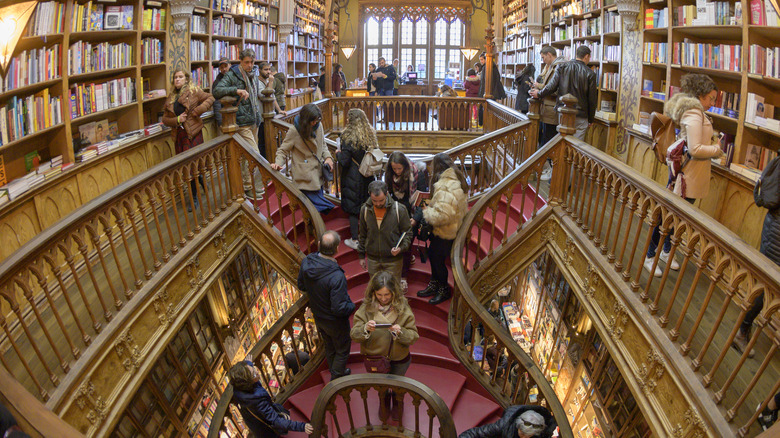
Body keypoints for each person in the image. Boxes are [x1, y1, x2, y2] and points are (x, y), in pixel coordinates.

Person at [643, 73, 724, 278]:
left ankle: (665, 250)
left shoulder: (698, 113)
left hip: (692, 175)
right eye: (711, 98)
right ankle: (650, 255)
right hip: (686, 177)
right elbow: (695, 149)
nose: (713, 103)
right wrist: (717, 150)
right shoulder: (694, 114)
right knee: (668, 216)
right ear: (700, 94)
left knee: (676, 218)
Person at [351, 271, 419, 420]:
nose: (383, 299)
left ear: (394, 293)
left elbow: (413, 336)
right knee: (381, 386)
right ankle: (383, 401)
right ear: (373, 293)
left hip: (399, 358)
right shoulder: (366, 309)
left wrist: (401, 333)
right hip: (376, 358)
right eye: (379, 295)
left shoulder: (403, 309)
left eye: (387, 295)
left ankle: (396, 401)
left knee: (397, 385)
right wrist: (365, 329)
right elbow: (354, 334)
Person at [297, 231, 355, 380]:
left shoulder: (307, 262)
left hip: (319, 316)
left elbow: (301, 285)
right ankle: (336, 379)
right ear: (337, 249)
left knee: (330, 347)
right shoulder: (336, 276)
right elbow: (339, 308)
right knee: (342, 349)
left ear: (318, 245)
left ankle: (336, 371)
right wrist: (352, 306)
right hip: (335, 322)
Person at [213, 48, 266, 197]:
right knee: (254, 153)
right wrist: (236, 90)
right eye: (246, 62)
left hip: (254, 119)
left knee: (246, 156)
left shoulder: (254, 74)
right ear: (240, 62)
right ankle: (247, 185)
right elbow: (217, 91)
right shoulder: (233, 74)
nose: (250, 65)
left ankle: (248, 186)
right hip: (242, 121)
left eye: (252, 62)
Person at [417, 153, 468, 305]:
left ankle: (443, 290)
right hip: (445, 229)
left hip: (445, 231)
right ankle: (435, 285)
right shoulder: (452, 179)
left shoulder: (446, 185)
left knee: (437, 260)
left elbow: (443, 215)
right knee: (433, 257)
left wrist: (427, 211)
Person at [161, 70, 214, 211]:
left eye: (180, 77)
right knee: (186, 167)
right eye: (175, 77)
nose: (177, 79)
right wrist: (177, 119)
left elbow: (210, 97)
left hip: (193, 133)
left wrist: (199, 110)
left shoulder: (194, 91)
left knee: (194, 164)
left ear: (186, 79)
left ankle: (194, 197)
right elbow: (165, 119)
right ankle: (200, 184)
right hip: (179, 135)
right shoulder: (171, 97)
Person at [271, 103, 335, 213]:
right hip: (304, 178)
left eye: (317, 120)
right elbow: (283, 150)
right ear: (305, 120)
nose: (315, 123)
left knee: (318, 211)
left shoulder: (319, 126)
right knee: (312, 212)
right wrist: (278, 163)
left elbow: (323, 145)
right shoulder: (294, 131)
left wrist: (328, 157)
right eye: (312, 121)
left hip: (318, 176)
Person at [228, 361, 314, 436]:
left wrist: (249, 363)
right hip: (265, 430)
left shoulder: (238, 387)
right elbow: (276, 421)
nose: (257, 372)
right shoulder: (257, 401)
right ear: (248, 383)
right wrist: (302, 426)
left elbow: (246, 367)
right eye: (253, 374)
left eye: (253, 368)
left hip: (253, 422)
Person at [531, 45, 597, 141]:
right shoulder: (590, 73)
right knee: (576, 144)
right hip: (581, 114)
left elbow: (551, 86)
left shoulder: (562, 67)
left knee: (562, 140)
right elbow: (592, 99)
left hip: (563, 111)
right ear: (586, 56)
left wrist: (539, 94)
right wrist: (591, 119)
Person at [336, 109, 377, 250]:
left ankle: (355, 239)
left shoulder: (348, 137)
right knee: (366, 207)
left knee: (354, 210)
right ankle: (369, 238)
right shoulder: (370, 133)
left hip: (352, 176)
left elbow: (345, 161)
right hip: (367, 174)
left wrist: (337, 154)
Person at [358, 180, 413, 280]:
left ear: (387, 194)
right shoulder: (364, 210)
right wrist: (361, 256)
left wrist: (401, 248)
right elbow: (362, 234)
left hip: (393, 260)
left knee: (393, 291)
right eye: (374, 201)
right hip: (373, 259)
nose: (378, 204)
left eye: (381, 200)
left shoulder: (399, 209)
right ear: (369, 195)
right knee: (375, 290)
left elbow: (407, 233)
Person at [385, 152, 419, 290]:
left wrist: (415, 219)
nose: (397, 172)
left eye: (400, 168)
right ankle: (406, 261)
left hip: (411, 213)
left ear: (405, 166)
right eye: (394, 169)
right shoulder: (389, 176)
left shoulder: (416, 173)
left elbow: (421, 199)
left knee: (406, 244)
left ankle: (403, 276)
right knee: (397, 243)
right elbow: (389, 195)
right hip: (396, 212)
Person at [459, 405, 557, 438]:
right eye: (522, 434)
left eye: (528, 436)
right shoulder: (503, 425)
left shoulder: (541, 428)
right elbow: (476, 433)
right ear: (517, 425)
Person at [212, 57, 231, 130]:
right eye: (221, 67)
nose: (224, 69)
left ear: (230, 65)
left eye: (226, 66)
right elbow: (216, 103)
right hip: (225, 116)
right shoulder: (217, 83)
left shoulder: (236, 77)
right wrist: (220, 121)